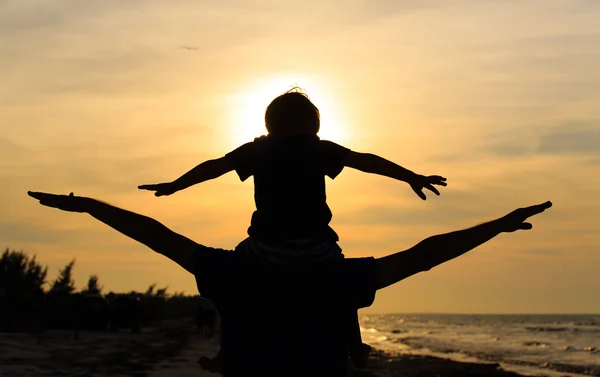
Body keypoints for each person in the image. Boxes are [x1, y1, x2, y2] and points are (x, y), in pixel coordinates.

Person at [27, 191, 552, 377]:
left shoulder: (232, 272)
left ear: (258, 222)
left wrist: (91, 206)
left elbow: (156, 235)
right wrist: (496, 225)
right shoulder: (337, 277)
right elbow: (423, 257)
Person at [138, 89, 447, 369]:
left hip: (264, 247)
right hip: (316, 247)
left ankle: (227, 351)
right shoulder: (319, 149)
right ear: (314, 126)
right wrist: (410, 176)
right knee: (343, 281)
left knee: (231, 284)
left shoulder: (258, 150)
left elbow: (215, 165)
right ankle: (354, 346)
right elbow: (366, 161)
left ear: (270, 124)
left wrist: (177, 185)